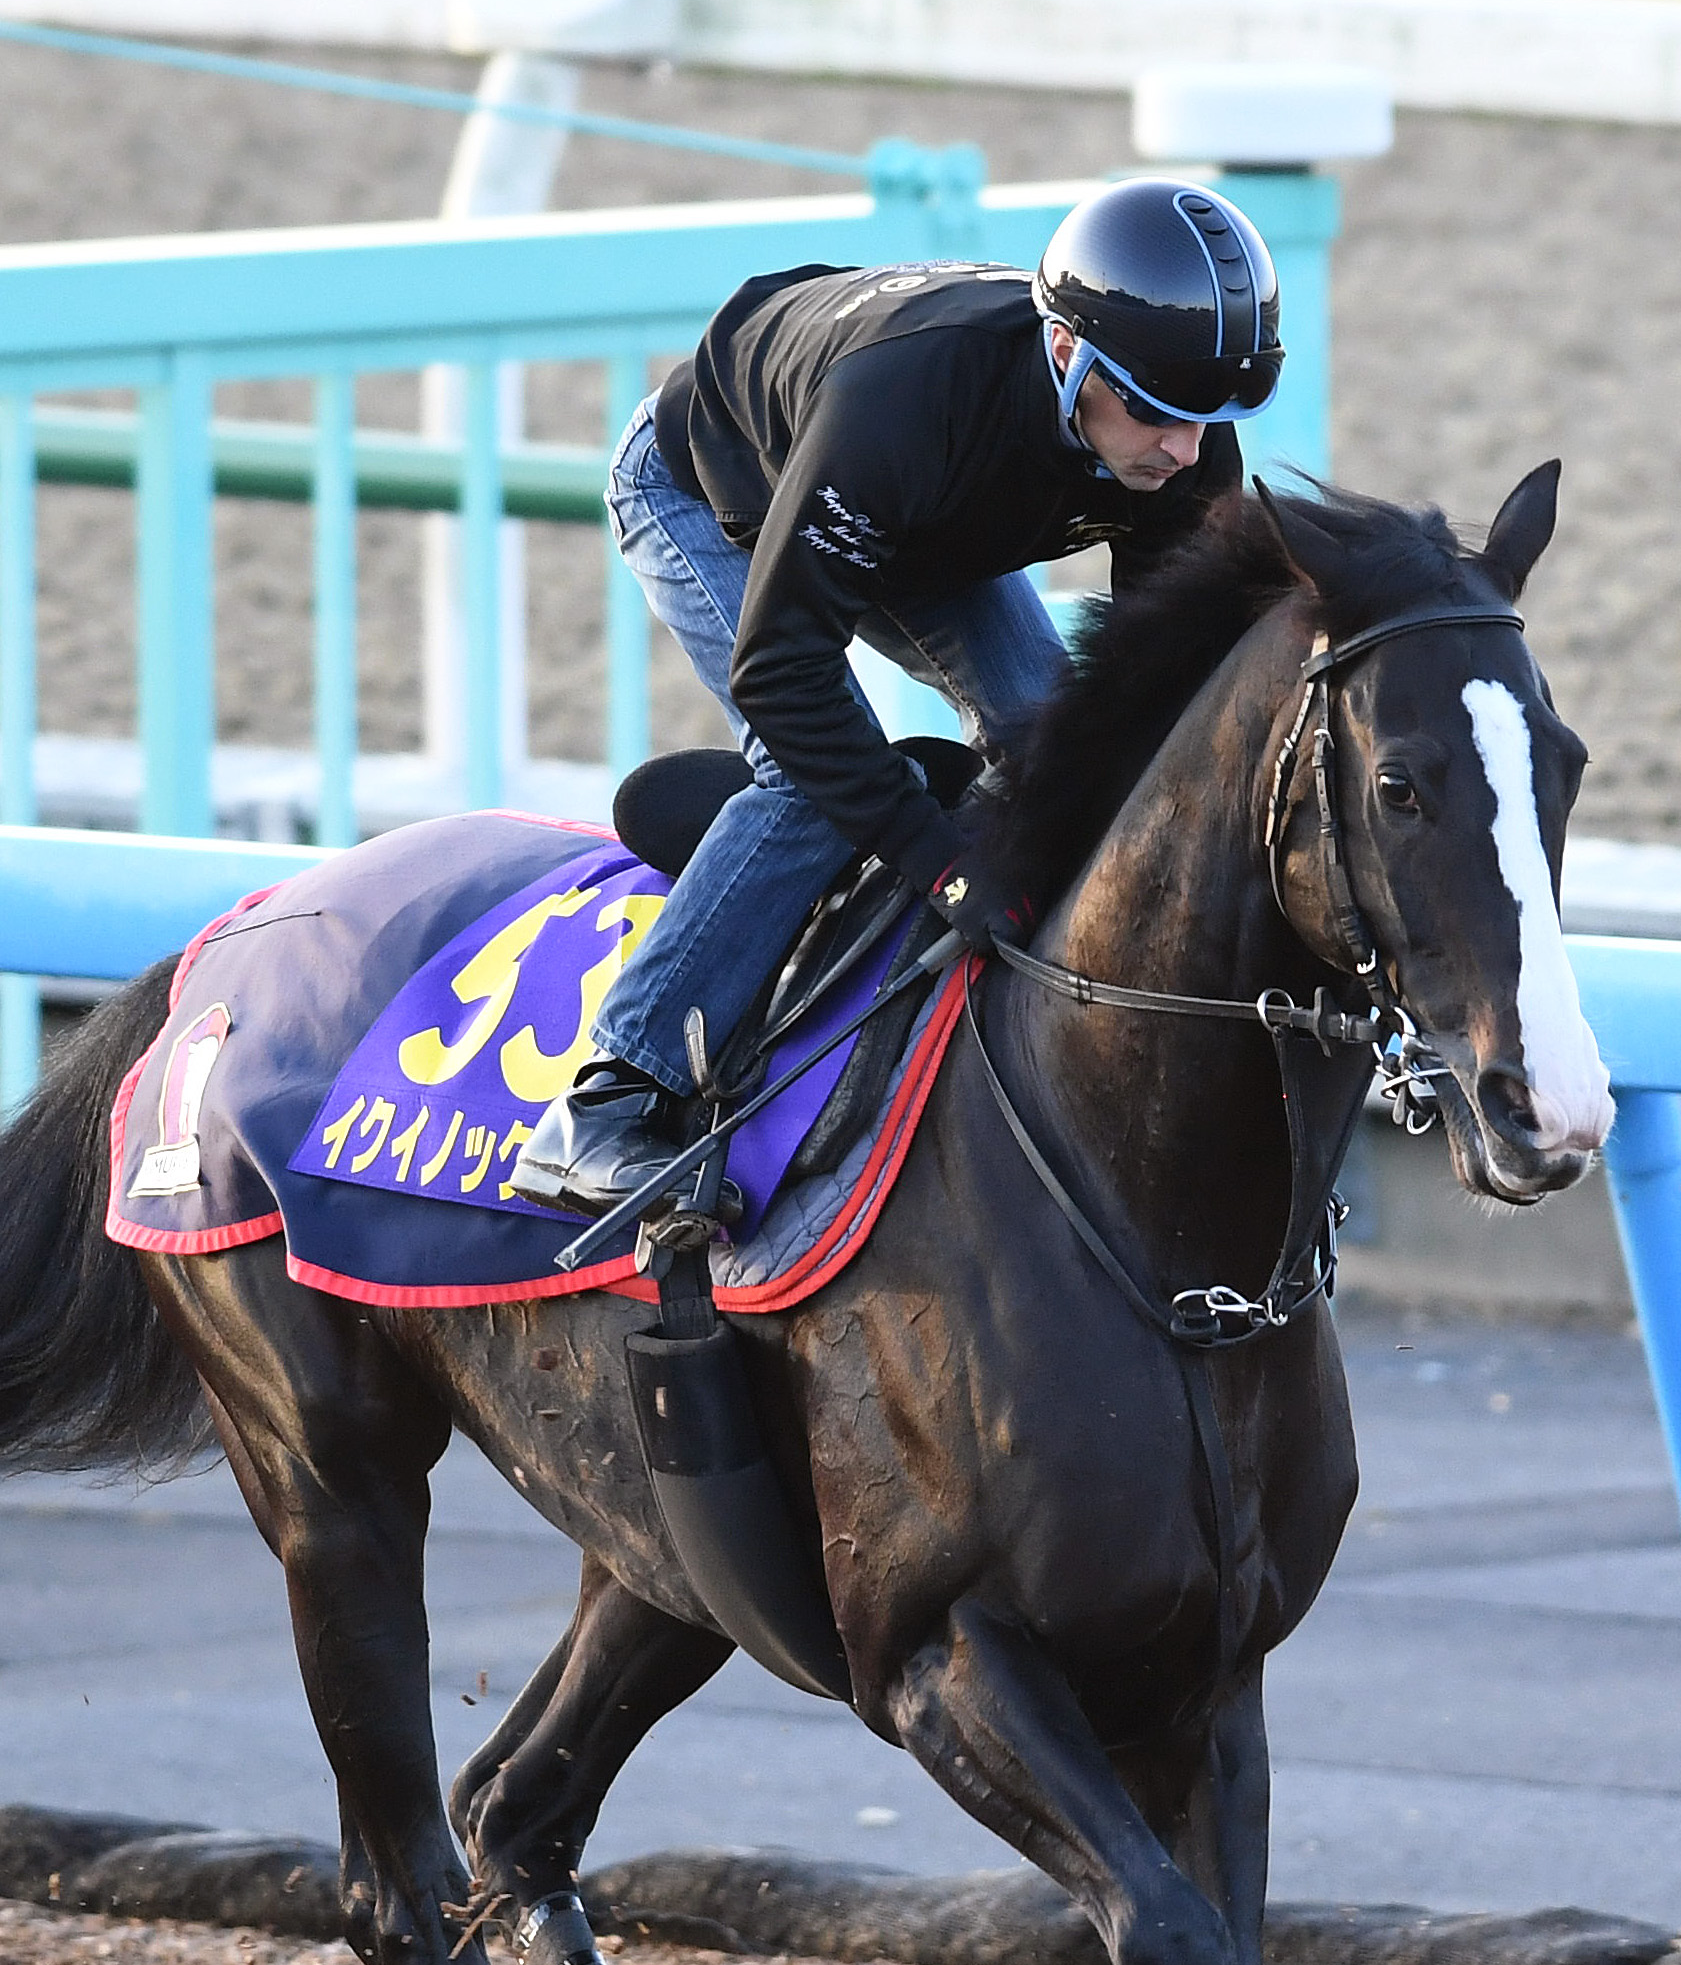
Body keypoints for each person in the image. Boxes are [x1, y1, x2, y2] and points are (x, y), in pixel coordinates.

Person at [507, 178, 1286, 1217]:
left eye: (1211, 420)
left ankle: (867, 844)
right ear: (1066, 356)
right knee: (800, 773)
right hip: (715, 486)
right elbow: (780, 677)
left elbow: (1144, 695)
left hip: (935, 512)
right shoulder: (903, 407)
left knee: (1056, 743)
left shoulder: (1178, 435)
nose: (1183, 451)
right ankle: (604, 1102)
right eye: (1152, 415)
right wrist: (937, 863)